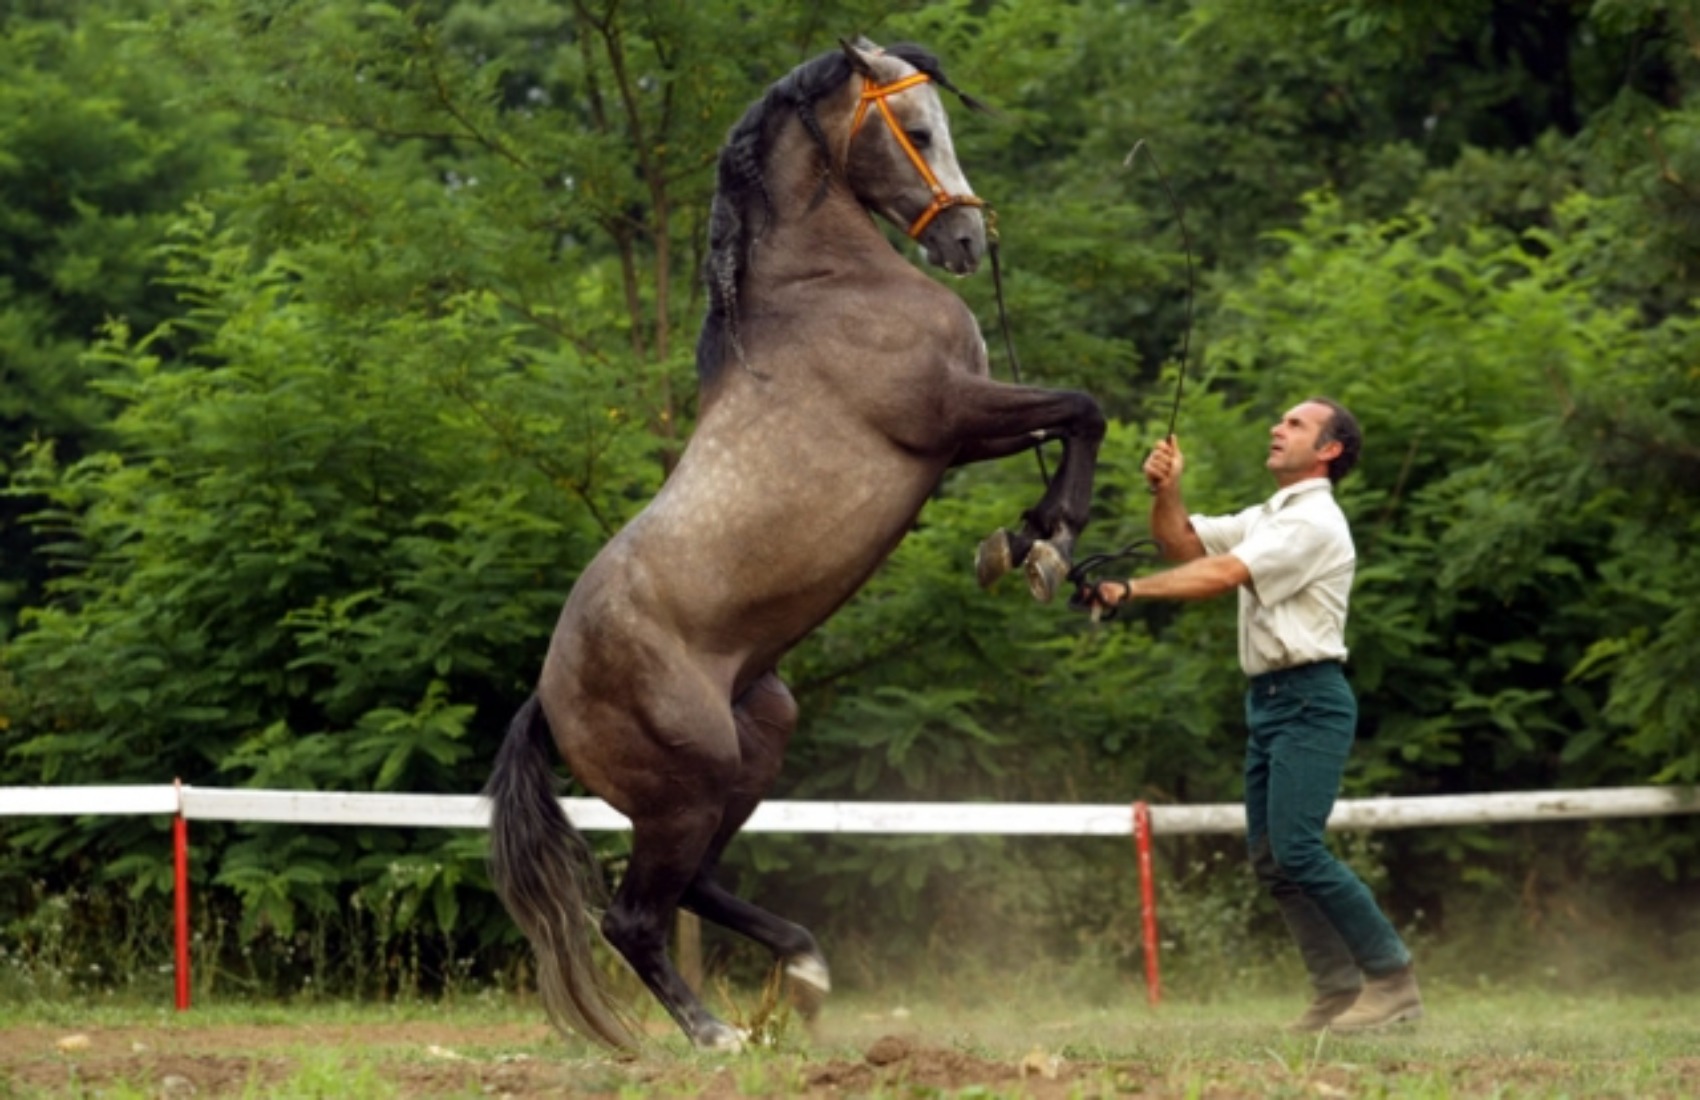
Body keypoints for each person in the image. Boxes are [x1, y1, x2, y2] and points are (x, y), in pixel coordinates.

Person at [1083, 397, 1423, 1033]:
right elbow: (1182, 545)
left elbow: (1220, 575)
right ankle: (1336, 991)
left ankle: (1392, 979)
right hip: (1271, 700)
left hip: (1309, 697)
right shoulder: (1272, 515)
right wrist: (1167, 490)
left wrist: (1128, 589)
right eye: (1281, 420)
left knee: (1298, 849)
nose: (1277, 427)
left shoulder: (1313, 522)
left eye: (1295, 424)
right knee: (1274, 859)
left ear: (1329, 451)